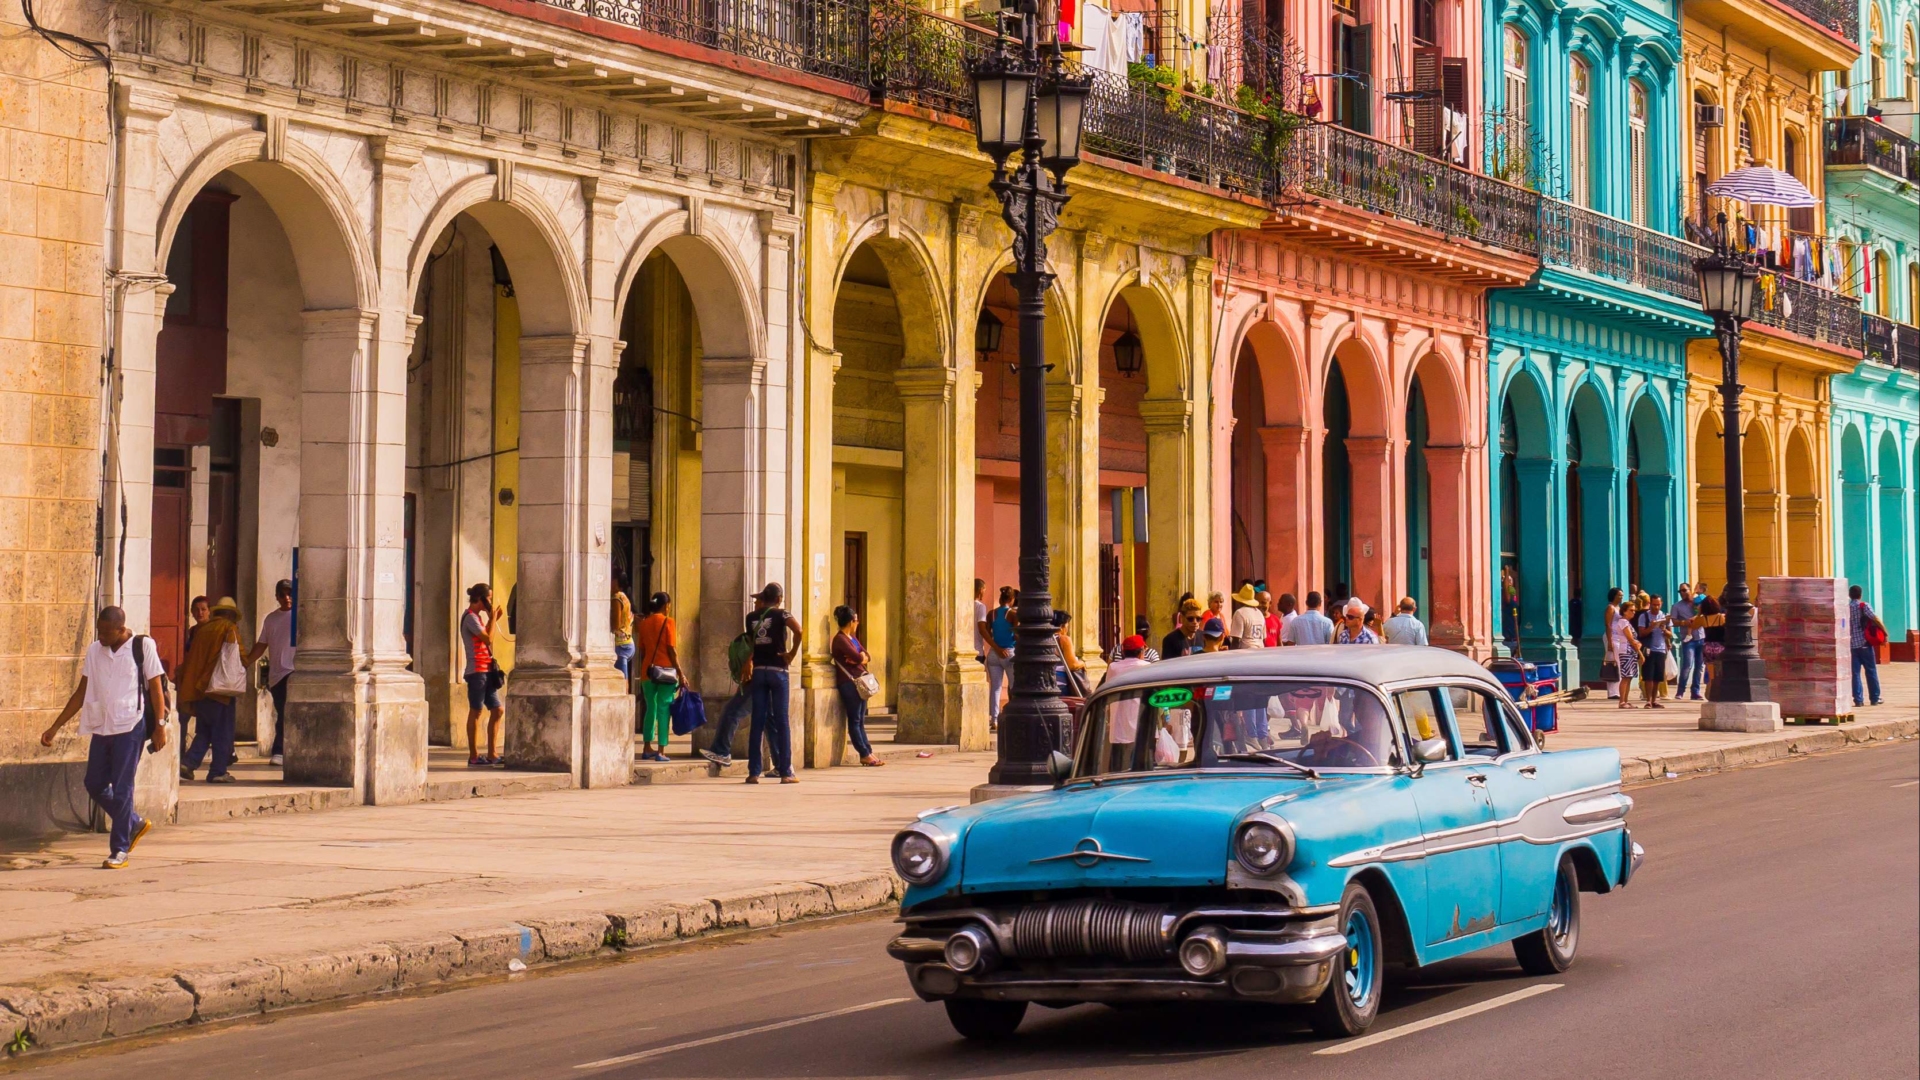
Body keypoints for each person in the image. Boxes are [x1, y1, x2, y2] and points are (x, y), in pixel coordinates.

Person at [40, 608, 168, 869]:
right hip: (102, 726)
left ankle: (119, 849)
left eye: (106, 632)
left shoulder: (142, 646)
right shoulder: (95, 651)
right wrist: (55, 726)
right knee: (94, 783)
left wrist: (160, 726)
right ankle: (133, 822)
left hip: (130, 725)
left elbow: (156, 688)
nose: (101, 636)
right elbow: (82, 691)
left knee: (123, 788)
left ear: (121, 629)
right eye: (99, 631)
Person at [178, 596, 242, 783]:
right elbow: (241, 657)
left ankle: (189, 763)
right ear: (230, 615)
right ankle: (218, 771)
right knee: (223, 732)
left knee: (205, 730)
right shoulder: (229, 629)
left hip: (201, 689)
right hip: (221, 689)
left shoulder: (201, 631)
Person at [744, 583, 802, 783]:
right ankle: (785, 772)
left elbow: (750, 644)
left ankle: (753, 772)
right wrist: (792, 653)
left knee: (757, 721)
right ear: (778, 599)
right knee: (781, 721)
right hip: (778, 671)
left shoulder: (751, 617)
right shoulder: (782, 614)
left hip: (759, 672)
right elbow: (799, 631)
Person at [244, 579, 295, 766]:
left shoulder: (301, 617)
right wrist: (246, 662)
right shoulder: (271, 619)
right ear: (277, 597)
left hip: (295, 671)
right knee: (282, 712)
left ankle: (281, 750)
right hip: (277, 675)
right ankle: (281, 751)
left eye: (290, 593)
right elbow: (261, 644)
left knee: (287, 713)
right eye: (282, 594)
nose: (287, 598)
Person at [831, 606, 884, 767]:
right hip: (849, 683)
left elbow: (867, 656)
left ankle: (868, 751)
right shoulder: (840, 639)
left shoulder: (852, 638)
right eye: (856, 620)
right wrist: (859, 657)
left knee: (860, 719)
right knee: (854, 719)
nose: (858, 623)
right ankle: (864, 753)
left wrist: (861, 658)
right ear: (850, 622)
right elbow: (857, 656)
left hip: (860, 682)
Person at [635, 592, 682, 762]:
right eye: (668, 605)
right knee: (664, 709)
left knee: (650, 709)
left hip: (648, 672)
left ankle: (647, 747)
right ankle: (661, 750)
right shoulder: (668, 622)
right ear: (666, 605)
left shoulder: (645, 623)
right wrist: (681, 673)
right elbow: (672, 650)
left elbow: (642, 649)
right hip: (666, 672)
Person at [461, 583, 505, 766]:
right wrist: (493, 617)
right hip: (477, 671)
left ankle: (492, 753)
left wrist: (492, 619)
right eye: (489, 598)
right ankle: (473, 756)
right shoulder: (470, 617)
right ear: (481, 599)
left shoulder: (477, 618)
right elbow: (488, 638)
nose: (491, 602)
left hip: (487, 670)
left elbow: (486, 636)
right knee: (476, 711)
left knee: (497, 710)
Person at [983, 586, 1016, 734]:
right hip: (1009, 652)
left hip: (994, 653)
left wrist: (996, 648)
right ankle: (1014, 715)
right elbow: (1016, 635)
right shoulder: (1013, 614)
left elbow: (988, 633)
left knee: (995, 688)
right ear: (1012, 599)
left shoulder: (992, 614)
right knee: (1014, 686)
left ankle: (994, 719)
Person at [1848, 584, 1884, 708]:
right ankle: (1875, 697)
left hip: (1852, 645)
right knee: (1871, 670)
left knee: (1855, 673)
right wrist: (1884, 631)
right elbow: (1875, 619)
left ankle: (1858, 700)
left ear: (1849, 595)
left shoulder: (1846, 608)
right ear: (1860, 595)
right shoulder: (1863, 606)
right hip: (1864, 644)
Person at [1636, 594, 1671, 708]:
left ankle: (1655, 700)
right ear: (1650, 604)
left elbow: (1670, 634)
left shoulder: (1664, 616)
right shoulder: (1644, 616)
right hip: (1649, 649)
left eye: (1658, 605)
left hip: (1661, 649)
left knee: (1657, 677)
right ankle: (1648, 700)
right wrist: (1651, 627)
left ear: (1662, 604)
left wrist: (1664, 630)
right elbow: (1641, 633)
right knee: (1648, 676)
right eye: (1654, 604)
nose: (1656, 607)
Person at [1670, 582, 1702, 701]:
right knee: (1687, 665)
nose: (1682, 593)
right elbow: (1673, 622)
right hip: (1688, 639)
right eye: (1680, 591)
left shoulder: (1697, 602)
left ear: (1690, 590)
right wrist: (1684, 622)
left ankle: (1695, 691)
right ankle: (1680, 691)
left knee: (1699, 666)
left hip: (1701, 637)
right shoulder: (1677, 606)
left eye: (1684, 590)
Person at [1611, 596, 1644, 709]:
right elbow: (1630, 639)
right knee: (1625, 676)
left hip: (1630, 651)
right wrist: (1641, 653)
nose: (1633, 612)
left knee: (1629, 676)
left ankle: (1626, 700)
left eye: (1634, 610)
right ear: (1624, 611)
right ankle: (1621, 701)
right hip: (1626, 651)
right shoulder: (1623, 622)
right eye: (1631, 610)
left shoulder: (1628, 623)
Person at [1053, 610, 1088, 695]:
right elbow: (1072, 665)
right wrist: (1082, 663)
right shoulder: (1063, 639)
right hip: (1060, 685)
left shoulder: (1042, 638)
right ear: (1062, 626)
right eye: (1067, 625)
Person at [611, 569, 636, 685]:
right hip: (627, 642)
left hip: (620, 645)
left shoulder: (616, 598)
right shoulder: (624, 597)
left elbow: (616, 624)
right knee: (623, 678)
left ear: (615, 581)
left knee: (622, 680)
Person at [1601, 587, 1626, 699]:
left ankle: (1618, 690)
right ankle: (1612, 692)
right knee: (1612, 663)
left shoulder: (1619, 608)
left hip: (1619, 638)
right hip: (1612, 637)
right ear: (1614, 596)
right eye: (1619, 595)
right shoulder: (1610, 608)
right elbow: (1608, 625)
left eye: (1622, 595)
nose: (1621, 597)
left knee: (1619, 663)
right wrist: (1610, 641)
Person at [1229, 584, 1267, 649]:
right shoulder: (1259, 613)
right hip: (1260, 651)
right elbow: (1264, 639)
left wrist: (1231, 657)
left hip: (1245, 653)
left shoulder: (1240, 613)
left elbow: (1236, 640)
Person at [971, 578, 988, 664]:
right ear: (981, 590)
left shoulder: (964, 605)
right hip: (977, 650)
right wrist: (995, 646)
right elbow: (982, 629)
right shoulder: (981, 607)